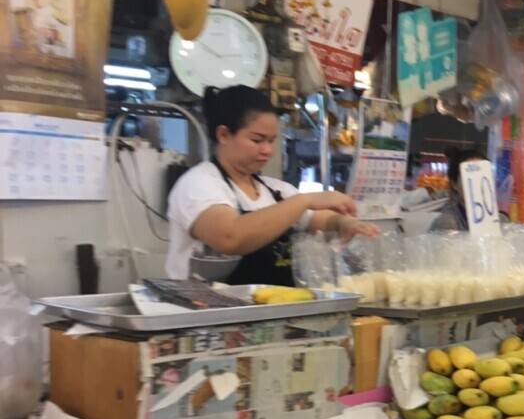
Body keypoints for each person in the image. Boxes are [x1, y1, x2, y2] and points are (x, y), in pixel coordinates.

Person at [167, 85, 379, 284]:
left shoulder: (275, 190)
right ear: (223, 134)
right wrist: (306, 199)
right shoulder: (199, 184)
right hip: (207, 316)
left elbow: (317, 220)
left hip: (267, 314)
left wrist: (344, 223)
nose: (267, 150)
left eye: (271, 141)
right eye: (257, 140)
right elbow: (229, 237)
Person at [430, 146, 483, 232]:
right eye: (469, 177)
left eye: (482, 175)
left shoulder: (499, 220)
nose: (476, 182)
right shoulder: (446, 223)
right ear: (455, 184)